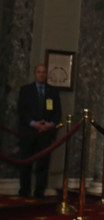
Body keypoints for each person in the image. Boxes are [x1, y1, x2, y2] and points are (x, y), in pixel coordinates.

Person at [17, 64, 62, 198]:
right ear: (35, 74)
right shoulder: (26, 90)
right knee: (26, 163)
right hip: (28, 132)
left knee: (43, 164)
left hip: (46, 133)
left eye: (43, 72)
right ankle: (24, 191)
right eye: (39, 72)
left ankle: (39, 192)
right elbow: (21, 111)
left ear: (46, 75)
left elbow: (57, 112)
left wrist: (50, 124)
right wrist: (34, 124)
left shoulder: (52, 91)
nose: (41, 75)